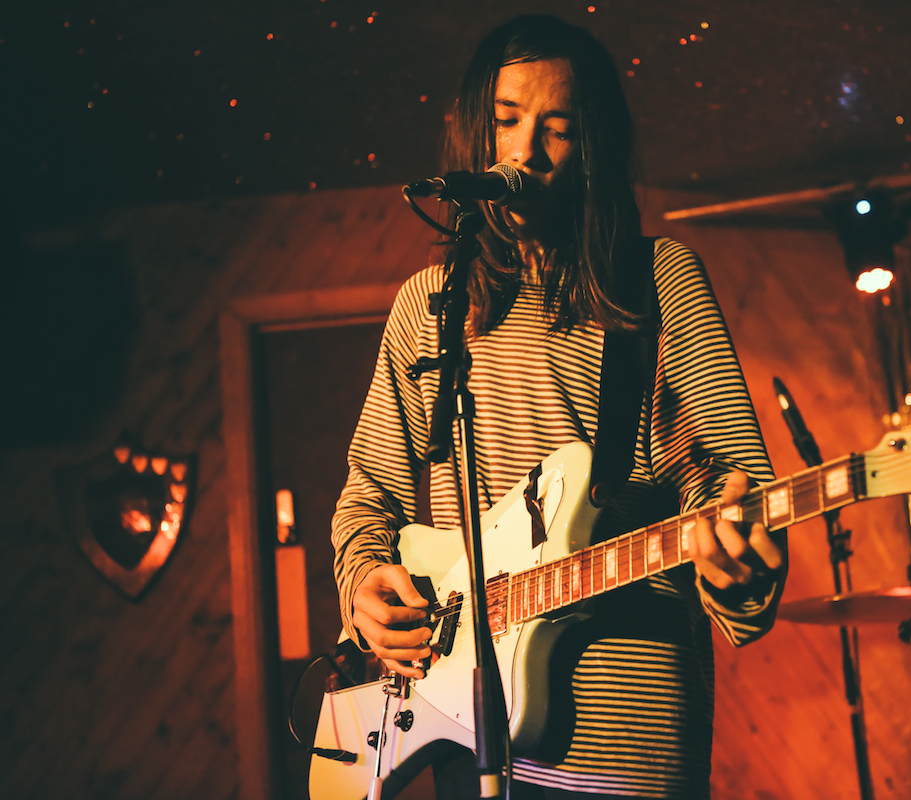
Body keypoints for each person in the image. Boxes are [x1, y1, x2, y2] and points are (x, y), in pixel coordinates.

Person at [332, 14, 787, 800]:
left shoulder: (658, 282)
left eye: (558, 129)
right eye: (506, 122)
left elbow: (730, 483)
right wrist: (364, 576)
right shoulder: (427, 305)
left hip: (627, 744)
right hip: (464, 729)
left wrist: (735, 561)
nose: (524, 153)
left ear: (592, 149)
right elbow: (369, 494)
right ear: (477, 134)